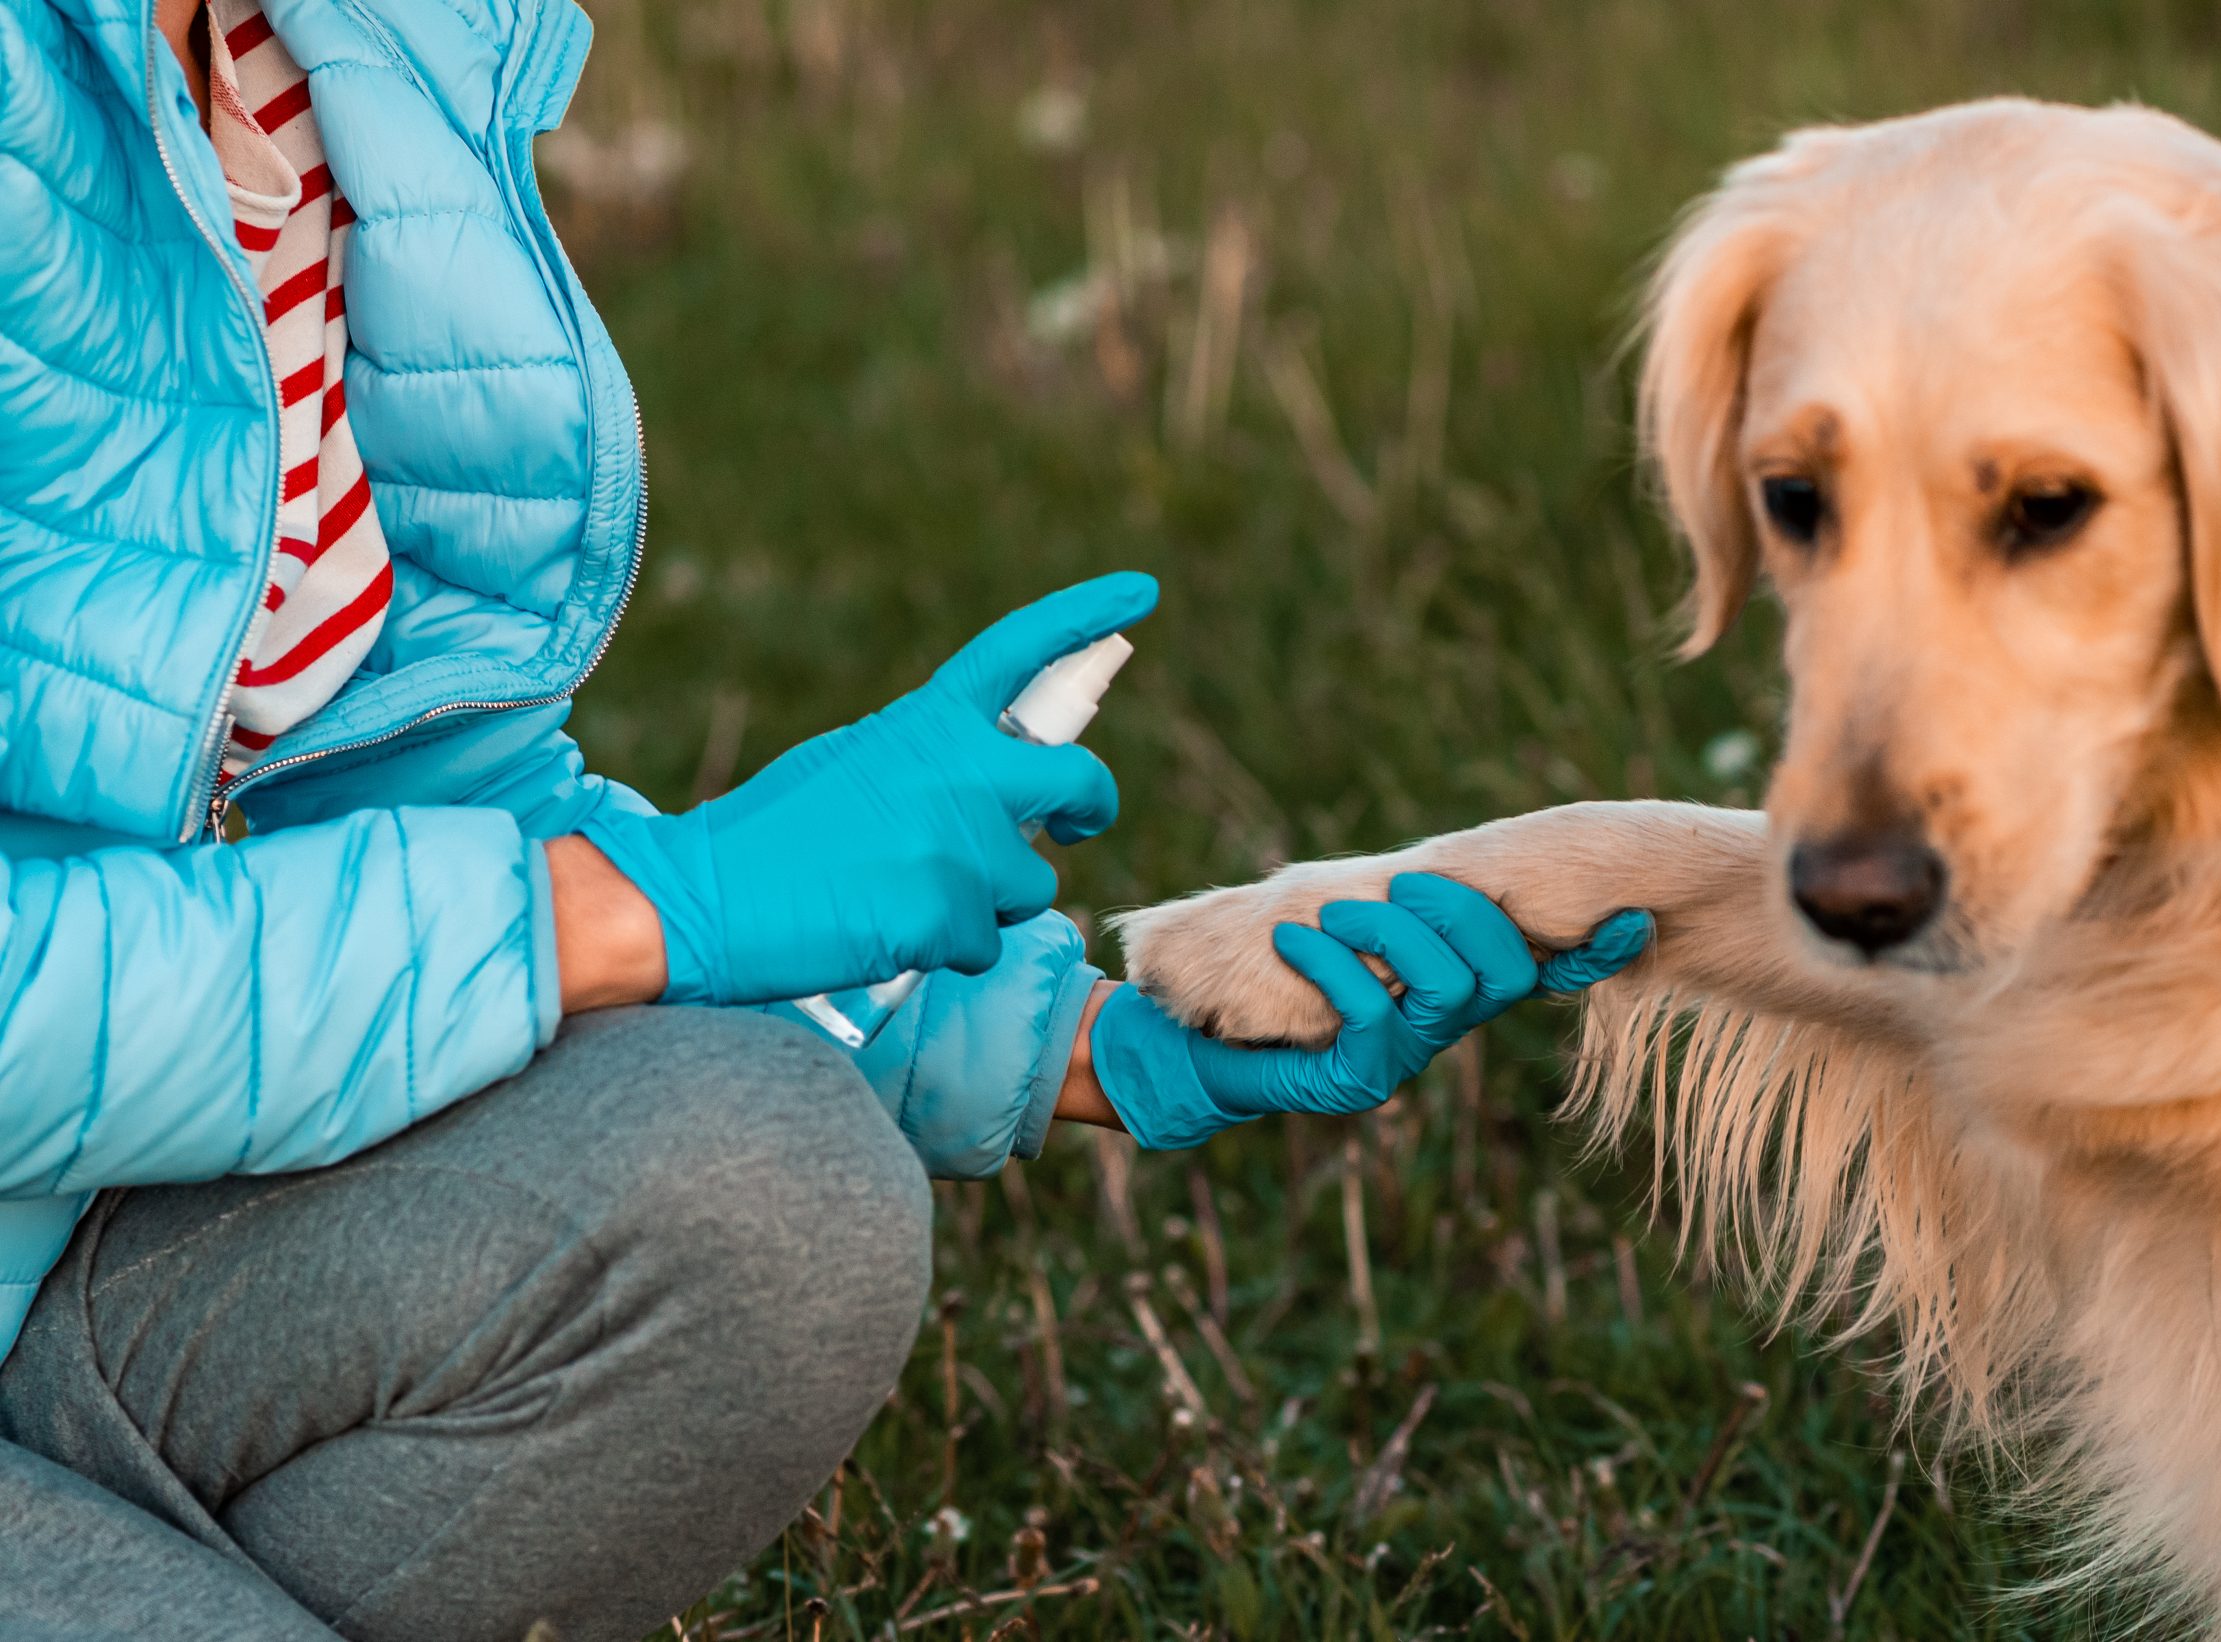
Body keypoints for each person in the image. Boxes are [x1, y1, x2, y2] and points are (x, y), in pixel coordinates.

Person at [0, 1, 1653, 1638]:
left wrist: (1072, 1039)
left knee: (768, 1204)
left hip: (85, 1245)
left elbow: (363, 785)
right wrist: (656, 898)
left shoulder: (347, 61)